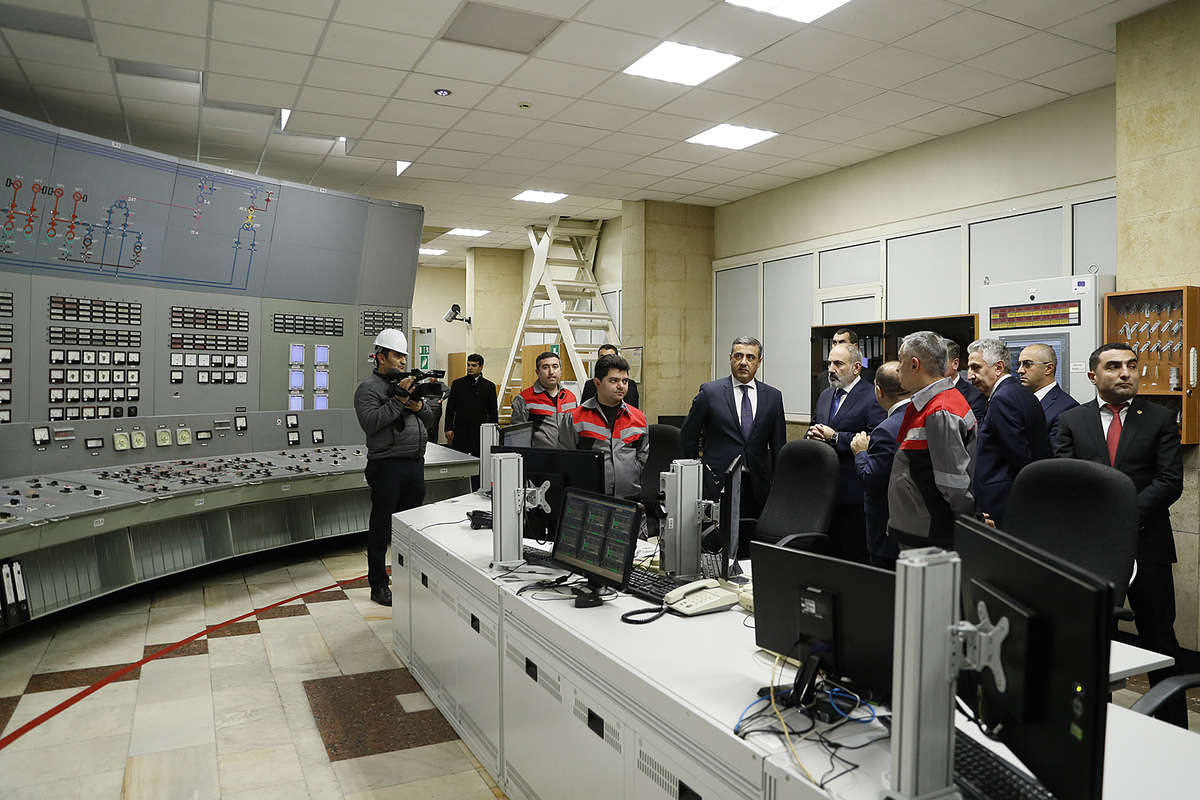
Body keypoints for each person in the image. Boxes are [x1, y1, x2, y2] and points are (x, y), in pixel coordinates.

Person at [1054, 343, 1186, 727]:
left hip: (1149, 545)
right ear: (1093, 376)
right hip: (1092, 549)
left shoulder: (1159, 418)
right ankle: (1095, 726)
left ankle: (1172, 728)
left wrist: (1123, 519)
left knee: (1160, 639)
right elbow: (1066, 478)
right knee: (1095, 641)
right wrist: (1105, 523)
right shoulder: (1071, 420)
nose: (1125, 373)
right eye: (1113, 366)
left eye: (1131, 365)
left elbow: (1169, 481)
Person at [354, 328, 434, 606]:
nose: (402, 361)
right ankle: (378, 585)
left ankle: (405, 578)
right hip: (387, 467)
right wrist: (398, 401)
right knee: (381, 530)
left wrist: (418, 406)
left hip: (414, 465)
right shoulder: (368, 389)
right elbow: (371, 423)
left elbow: (430, 420)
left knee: (409, 527)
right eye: (397, 355)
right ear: (380, 357)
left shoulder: (407, 385)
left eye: (404, 356)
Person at [888, 331, 977, 550]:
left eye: (900, 360)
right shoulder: (930, 403)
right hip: (920, 528)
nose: (897, 368)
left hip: (930, 533)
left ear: (914, 364)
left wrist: (972, 525)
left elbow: (954, 483)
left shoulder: (940, 411)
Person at [680, 336, 786, 519]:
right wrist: (698, 475)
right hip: (717, 481)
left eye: (750, 357)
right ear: (730, 358)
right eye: (738, 356)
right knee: (716, 534)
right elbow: (688, 436)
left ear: (759, 362)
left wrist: (778, 486)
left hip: (757, 485)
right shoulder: (710, 392)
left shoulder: (773, 397)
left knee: (752, 532)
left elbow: (779, 447)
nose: (743, 362)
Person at [806, 342, 885, 564]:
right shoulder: (825, 395)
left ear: (856, 368)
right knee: (825, 559)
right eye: (829, 363)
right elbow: (813, 426)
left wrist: (835, 437)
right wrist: (811, 435)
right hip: (823, 493)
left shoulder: (872, 396)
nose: (831, 369)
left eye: (838, 364)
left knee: (854, 558)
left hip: (853, 495)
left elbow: (873, 440)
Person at [966, 338, 1049, 527]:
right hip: (1021, 496)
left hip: (1001, 500)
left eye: (976, 368)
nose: (970, 375)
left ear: (998, 367)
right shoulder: (1022, 393)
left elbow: (1018, 455)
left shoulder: (1002, 398)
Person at [850, 362, 911, 571]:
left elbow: (871, 479)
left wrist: (861, 452)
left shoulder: (885, 430)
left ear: (879, 391)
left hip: (885, 527)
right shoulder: (921, 416)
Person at [568, 353, 649, 502]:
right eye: (614, 380)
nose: (621, 386)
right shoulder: (575, 418)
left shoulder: (639, 419)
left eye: (625, 381)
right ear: (597, 383)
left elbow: (641, 459)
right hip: (590, 501)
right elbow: (567, 462)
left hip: (629, 501)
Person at [510, 351, 576, 448]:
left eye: (555, 367)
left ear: (561, 370)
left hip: (568, 455)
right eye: (545, 367)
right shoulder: (524, 399)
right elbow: (516, 437)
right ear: (537, 372)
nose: (551, 372)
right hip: (540, 456)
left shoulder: (571, 397)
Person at [1016, 342, 1078, 447]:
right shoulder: (1020, 402)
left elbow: (1055, 453)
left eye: (1027, 364)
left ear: (1048, 368)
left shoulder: (1067, 408)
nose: (1020, 371)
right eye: (1019, 364)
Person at [580, 343, 639, 408]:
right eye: (602, 357)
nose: (621, 386)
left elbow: (631, 410)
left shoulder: (629, 385)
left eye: (610, 357)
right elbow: (584, 408)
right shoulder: (590, 384)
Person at [816, 327, 874, 393]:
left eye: (842, 342)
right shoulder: (822, 378)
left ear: (854, 346)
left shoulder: (868, 377)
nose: (837, 346)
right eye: (834, 343)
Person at [944, 339, 987, 422]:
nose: (936, 366)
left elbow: (975, 428)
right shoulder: (927, 392)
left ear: (955, 364)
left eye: (941, 362)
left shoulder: (975, 397)